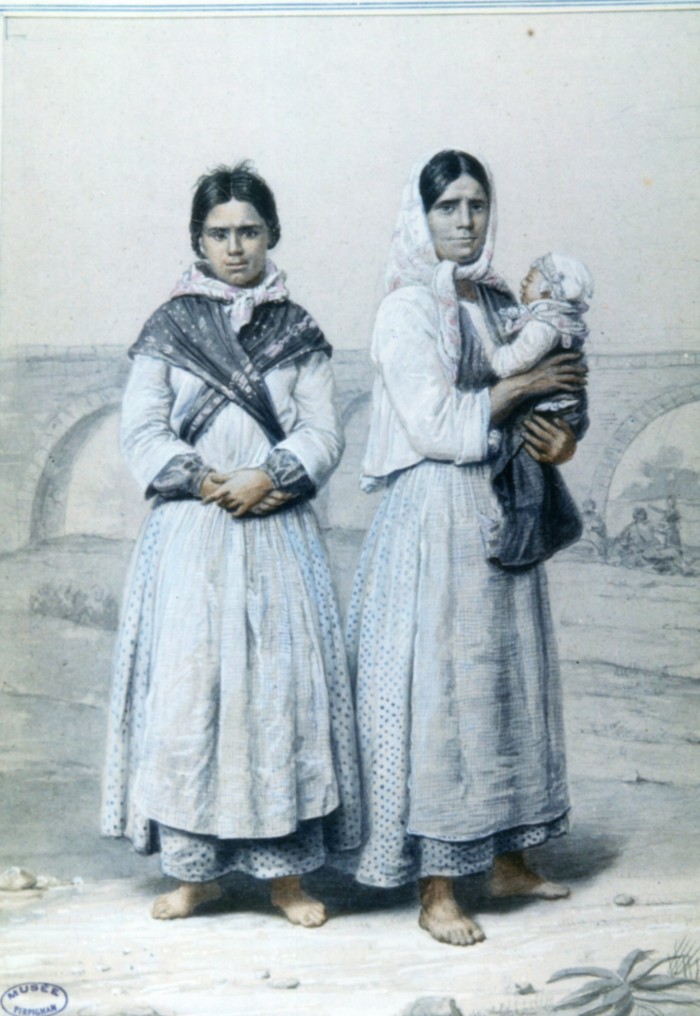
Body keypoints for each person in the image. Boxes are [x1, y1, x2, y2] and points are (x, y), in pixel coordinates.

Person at [101, 162, 360, 926]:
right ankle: (196, 870)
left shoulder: (299, 330)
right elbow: (142, 426)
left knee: (278, 697)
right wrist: (199, 477)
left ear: (271, 235)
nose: (236, 246)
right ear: (198, 240)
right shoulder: (169, 327)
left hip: (275, 526)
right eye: (220, 233)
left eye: (249, 230)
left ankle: (285, 877)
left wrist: (272, 473)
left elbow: (323, 429)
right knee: (191, 693)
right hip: (192, 533)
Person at [347, 150, 588, 946]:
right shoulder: (405, 309)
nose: (464, 220)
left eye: (477, 206)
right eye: (448, 206)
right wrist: (518, 388)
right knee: (443, 695)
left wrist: (556, 444)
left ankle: (511, 858)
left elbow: (538, 407)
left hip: (502, 508)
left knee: (508, 682)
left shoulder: (495, 299)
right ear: (422, 216)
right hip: (434, 517)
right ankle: (439, 887)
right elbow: (438, 426)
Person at [474, 251, 593, 567]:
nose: (524, 280)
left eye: (532, 276)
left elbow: (510, 362)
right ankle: (557, 525)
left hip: (539, 413)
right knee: (526, 482)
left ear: (547, 290)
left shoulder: (541, 325)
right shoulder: (551, 321)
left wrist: (493, 357)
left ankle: (523, 547)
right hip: (546, 408)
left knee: (525, 483)